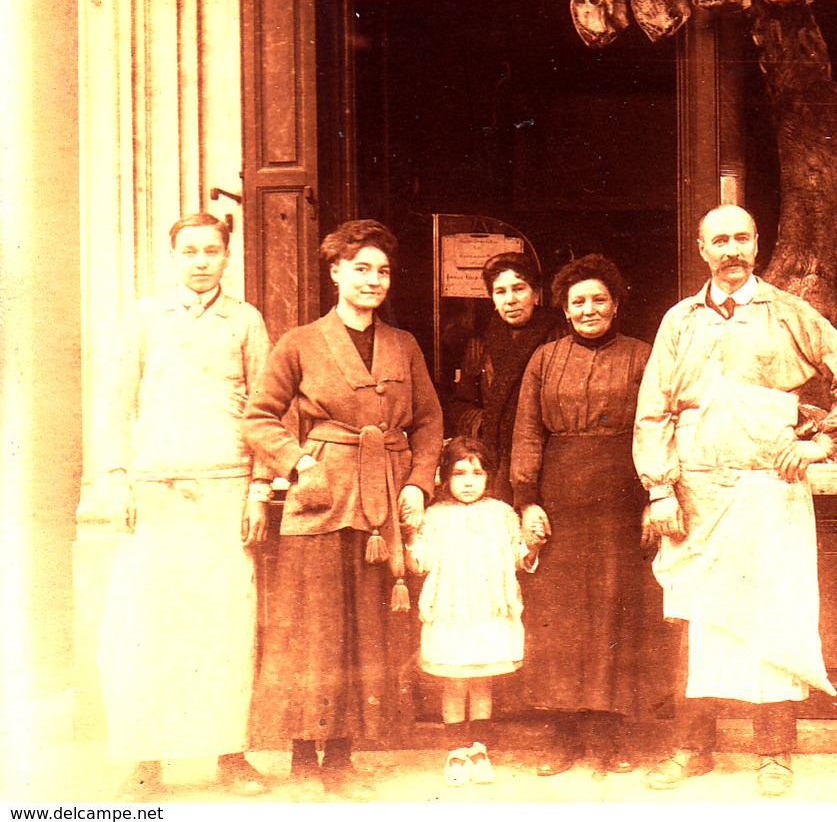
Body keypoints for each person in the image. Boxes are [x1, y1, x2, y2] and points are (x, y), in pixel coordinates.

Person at [634, 205, 837, 797]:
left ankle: (774, 754)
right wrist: (660, 487)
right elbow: (653, 411)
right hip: (695, 492)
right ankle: (691, 748)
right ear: (701, 249)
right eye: (719, 240)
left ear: (756, 243)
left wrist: (825, 441)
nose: (732, 250)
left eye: (742, 237)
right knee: (695, 620)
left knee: (775, 619)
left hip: (769, 491)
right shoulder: (680, 321)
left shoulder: (789, 312)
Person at [243, 219, 443, 801]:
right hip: (321, 498)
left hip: (383, 499)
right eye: (361, 269)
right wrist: (298, 464)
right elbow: (260, 416)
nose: (373, 281)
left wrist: (419, 484)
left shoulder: (403, 344)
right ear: (335, 271)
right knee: (314, 632)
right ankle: (304, 761)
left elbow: (429, 421)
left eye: (382, 271)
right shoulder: (300, 341)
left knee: (366, 631)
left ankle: (342, 761)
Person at [92, 212, 272, 801]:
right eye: (189, 251)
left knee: (225, 625)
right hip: (155, 492)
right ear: (173, 257)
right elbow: (116, 401)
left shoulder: (245, 320)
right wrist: (116, 477)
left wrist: (258, 489)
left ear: (227, 257)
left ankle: (231, 753)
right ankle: (146, 757)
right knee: (147, 626)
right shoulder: (145, 317)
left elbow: (266, 414)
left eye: (212, 251)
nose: (200, 261)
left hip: (224, 491)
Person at [509, 254, 668, 776]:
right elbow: (528, 430)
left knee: (617, 614)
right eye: (578, 301)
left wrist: (654, 496)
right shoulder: (545, 358)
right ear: (564, 307)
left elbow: (659, 428)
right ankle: (562, 736)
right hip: (561, 500)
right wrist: (527, 498)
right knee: (561, 619)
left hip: (622, 498)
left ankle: (612, 734)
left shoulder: (644, 357)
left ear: (617, 304)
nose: (589, 309)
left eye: (599, 299)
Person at [406, 437, 533, 787]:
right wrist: (411, 543)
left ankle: (479, 748)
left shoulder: (502, 514)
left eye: (477, 473)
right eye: (459, 473)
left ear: (488, 477)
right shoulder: (434, 516)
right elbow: (422, 561)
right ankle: (455, 751)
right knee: (454, 681)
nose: (468, 481)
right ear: (445, 477)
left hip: (488, 610)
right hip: (451, 610)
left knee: (481, 682)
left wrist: (532, 546)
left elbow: (519, 558)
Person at [447, 252, 560, 505]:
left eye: (519, 289)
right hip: (495, 457)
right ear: (492, 298)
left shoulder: (558, 336)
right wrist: (485, 422)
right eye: (500, 292)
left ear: (537, 292)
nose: (510, 300)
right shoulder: (481, 343)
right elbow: (461, 403)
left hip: (544, 457)